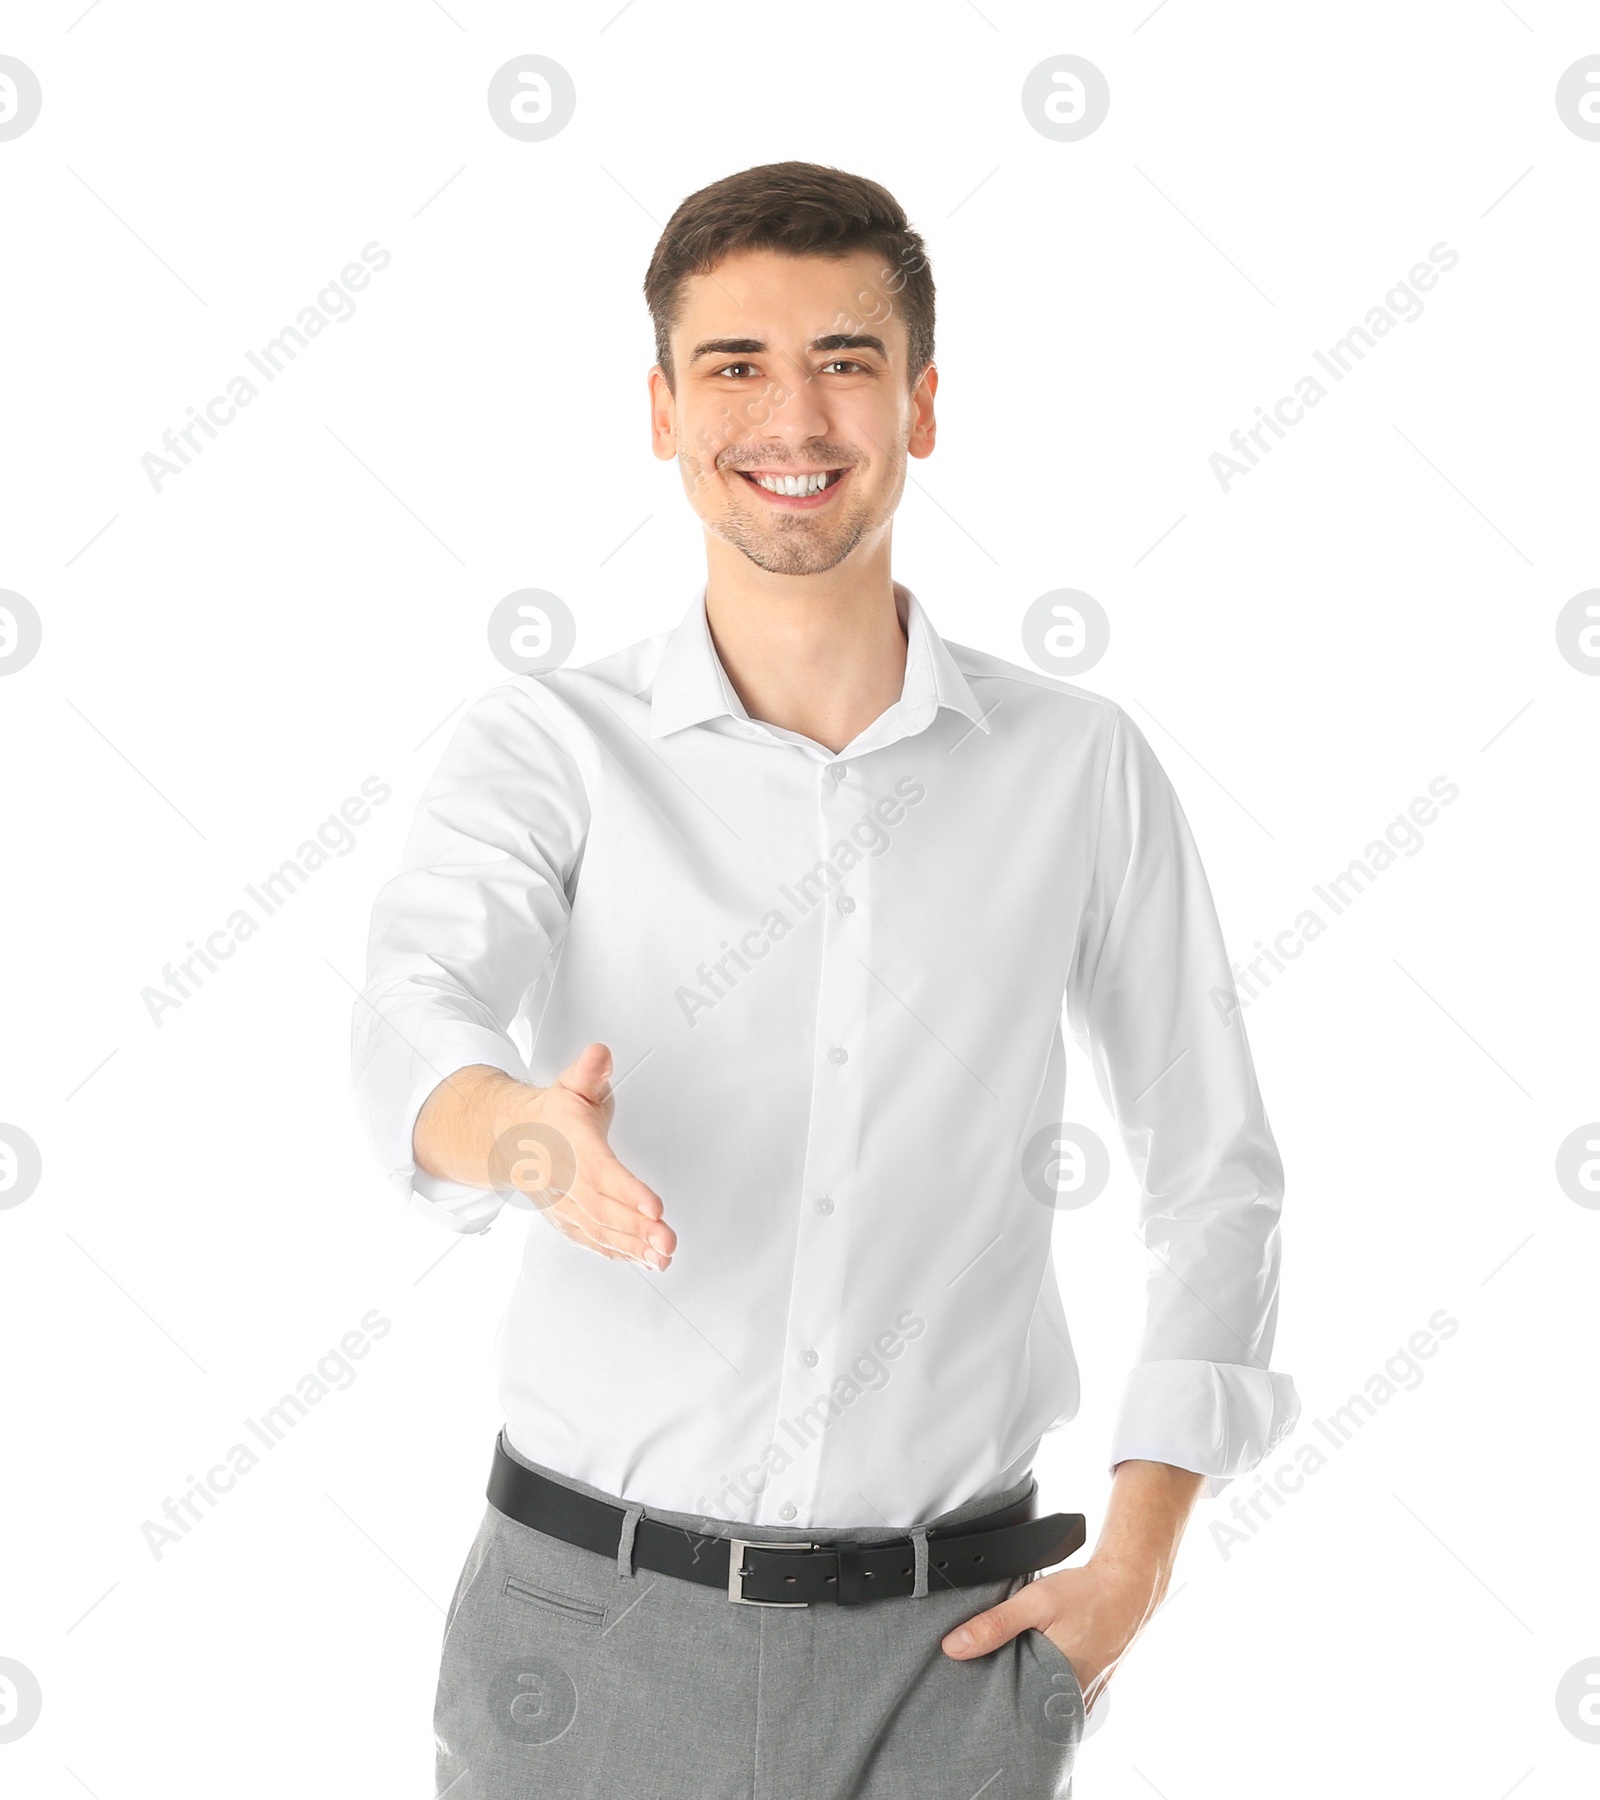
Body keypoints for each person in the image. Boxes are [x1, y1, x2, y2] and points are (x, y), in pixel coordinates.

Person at [351, 160, 1300, 1799]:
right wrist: (522, 1132)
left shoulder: (1076, 766)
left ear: (920, 404)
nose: (793, 416)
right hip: (584, 1637)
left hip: (955, 1658)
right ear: (663, 410)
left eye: (845, 361)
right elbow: (408, 1010)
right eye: (735, 365)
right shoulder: (549, 745)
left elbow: (1217, 1171)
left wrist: (1137, 1565)